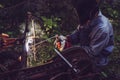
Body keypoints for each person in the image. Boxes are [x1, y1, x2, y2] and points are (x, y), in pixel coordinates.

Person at [55, 0, 114, 67]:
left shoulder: (102, 29)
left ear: (94, 13)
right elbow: (79, 32)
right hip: (86, 48)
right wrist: (68, 39)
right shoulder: (87, 17)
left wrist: (70, 49)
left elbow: (93, 53)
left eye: (86, 21)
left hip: (97, 58)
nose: (85, 23)